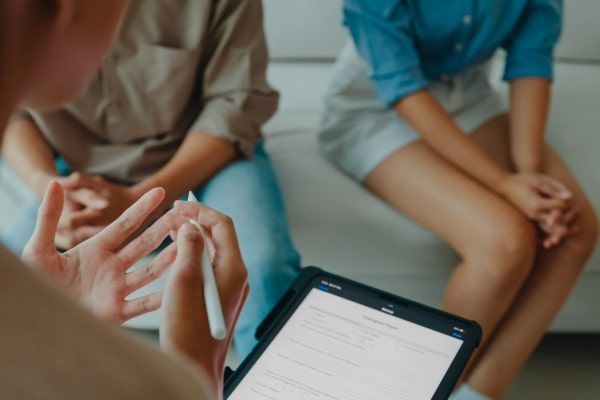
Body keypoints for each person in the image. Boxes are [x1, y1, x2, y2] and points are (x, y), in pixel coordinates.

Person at [318, 1, 598, 399]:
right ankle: (420, 390)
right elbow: (401, 86)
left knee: (574, 224)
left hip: (467, 98)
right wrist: (504, 183)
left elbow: (530, 62)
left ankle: (475, 393)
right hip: (375, 110)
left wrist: (528, 177)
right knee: (503, 241)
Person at [0, 0, 301, 356]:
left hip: (203, 156)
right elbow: (13, 105)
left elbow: (236, 103)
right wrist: (47, 185)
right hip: (73, 168)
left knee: (262, 266)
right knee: (14, 280)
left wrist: (136, 202)